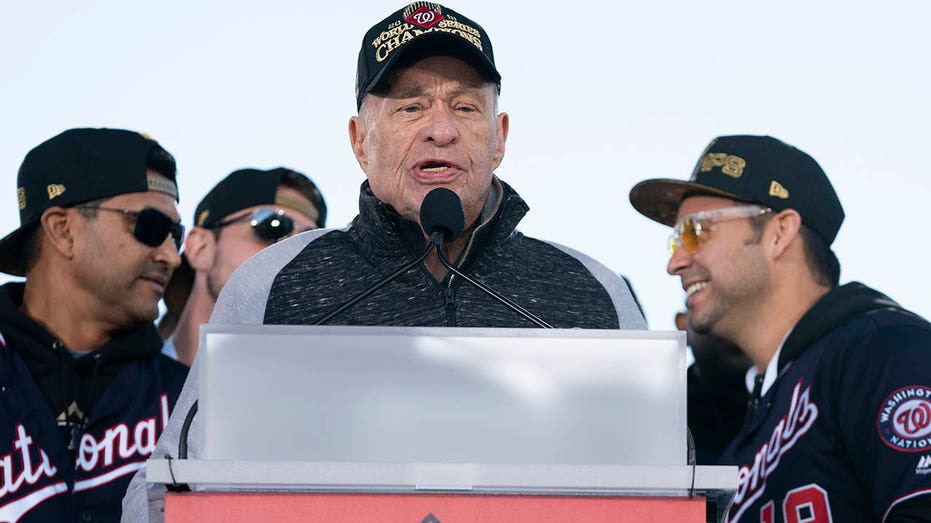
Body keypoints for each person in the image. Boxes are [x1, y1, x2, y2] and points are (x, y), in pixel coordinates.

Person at [122, 3, 645, 521]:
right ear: (359, 142)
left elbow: (668, 486)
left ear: (500, 137)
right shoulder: (271, 284)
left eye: (465, 107)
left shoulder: (596, 294)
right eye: (409, 108)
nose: (441, 130)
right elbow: (163, 493)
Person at [630, 135, 931, 522]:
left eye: (697, 232)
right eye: (676, 240)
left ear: (779, 232)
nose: (676, 263)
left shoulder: (883, 350)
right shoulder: (753, 423)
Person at [0, 128, 190, 522]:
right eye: (150, 226)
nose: (171, 256)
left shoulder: (192, 400)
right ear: (63, 230)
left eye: (176, 234)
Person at [159, 167, 326, 366]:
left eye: (308, 243)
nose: (291, 253)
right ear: (199, 247)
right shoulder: (122, 380)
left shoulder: (320, 391)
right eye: (272, 225)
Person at [675, 311, 751, 465]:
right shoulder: (662, 412)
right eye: (714, 314)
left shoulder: (795, 398)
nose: (731, 326)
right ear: (682, 324)